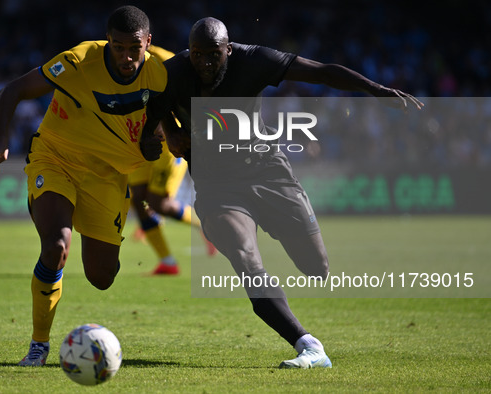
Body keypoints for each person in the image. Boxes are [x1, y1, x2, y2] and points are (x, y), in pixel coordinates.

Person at [147, 17, 423, 369]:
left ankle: (278, 226)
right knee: (245, 258)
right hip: (218, 187)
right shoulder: (172, 73)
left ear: (228, 50)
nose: (204, 63)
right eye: (197, 54)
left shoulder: (255, 60)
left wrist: (376, 90)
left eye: (213, 55)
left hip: (269, 173)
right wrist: (168, 131)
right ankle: (308, 346)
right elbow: (148, 110)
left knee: (316, 267)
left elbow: (321, 72)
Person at [0, 6, 166, 366]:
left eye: (133, 48)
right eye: (118, 46)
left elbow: (181, 111)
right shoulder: (78, 61)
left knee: (102, 276)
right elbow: (13, 90)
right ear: (108, 41)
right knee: (57, 245)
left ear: (148, 43)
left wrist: (162, 137)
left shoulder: (162, 70)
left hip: (107, 176)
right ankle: (39, 345)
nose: (126, 56)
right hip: (55, 158)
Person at [127, 45, 209, 276]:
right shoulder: (114, 62)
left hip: (168, 142)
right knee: (138, 200)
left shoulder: (166, 61)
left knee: (157, 202)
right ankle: (168, 262)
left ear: (147, 40)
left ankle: (206, 227)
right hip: (140, 140)